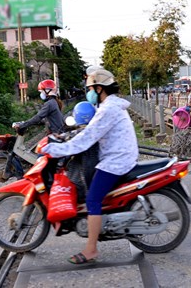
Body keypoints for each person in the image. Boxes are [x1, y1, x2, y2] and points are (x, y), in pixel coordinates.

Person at [40, 69, 138, 264]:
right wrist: (65, 137)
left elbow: (88, 138)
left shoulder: (108, 109)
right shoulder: (109, 106)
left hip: (116, 160)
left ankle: (91, 249)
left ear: (99, 88)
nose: (89, 92)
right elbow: (90, 129)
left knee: (93, 199)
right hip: (117, 155)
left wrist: (54, 149)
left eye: (90, 88)